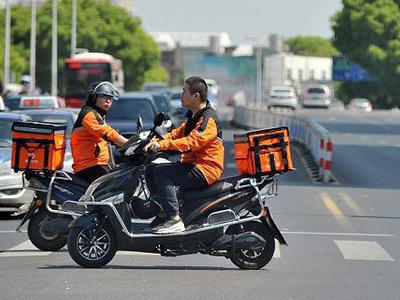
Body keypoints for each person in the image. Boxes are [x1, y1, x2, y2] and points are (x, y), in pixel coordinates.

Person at [143, 76, 225, 234]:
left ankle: (174, 219)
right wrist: (152, 141)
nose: (181, 94)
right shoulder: (193, 118)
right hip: (192, 165)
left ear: (196, 96)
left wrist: (162, 145)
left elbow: (192, 142)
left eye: (184, 91)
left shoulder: (208, 120)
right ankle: (162, 213)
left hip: (205, 169)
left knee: (162, 172)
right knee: (151, 169)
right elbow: (174, 135)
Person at [70, 81, 128, 183]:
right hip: (89, 166)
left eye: (111, 98)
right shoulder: (89, 114)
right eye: (104, 96)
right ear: (94, 97)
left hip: (97, 164)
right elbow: (108, 133)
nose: (108, 101)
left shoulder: (97, 114)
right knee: (113, 187)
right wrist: (129, 143)